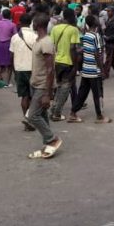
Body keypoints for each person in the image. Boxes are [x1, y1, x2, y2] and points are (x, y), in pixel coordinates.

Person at [27, 13, 64, 159]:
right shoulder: (38, 40)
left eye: (33, 23)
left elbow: (50, 70)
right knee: (41, 115)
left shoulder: (46, 42)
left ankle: (52, 139)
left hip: (43, 86)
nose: (32, 25)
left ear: (38, 25)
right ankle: (48, 144)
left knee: (33, 116)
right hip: (35, 83)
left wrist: (48, 94)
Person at [68, 15, 110, 124]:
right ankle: (99, 116)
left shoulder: (86, 35)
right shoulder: (96, 36)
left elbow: (85, 50)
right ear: (95, 22)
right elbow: (97, 54)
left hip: (86, 69)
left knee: (82, 92)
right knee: (97, 93)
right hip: (94, 69)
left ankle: (73, 113)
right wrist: (102, 69)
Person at [50, 8, 81, 121]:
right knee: (65, 88)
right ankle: (57, 113)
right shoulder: (73, 30)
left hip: (57, 61)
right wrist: (75, 65)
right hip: (68, 62)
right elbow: (73, 48)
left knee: (59, 86)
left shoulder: (55, 28)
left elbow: (52, 46)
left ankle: (53, 110)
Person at [10, 13, 37, 131]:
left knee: (24, 96)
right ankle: (30, 119)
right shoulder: (35, 37)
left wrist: (14, 70)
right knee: (34, 96)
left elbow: (11, 55)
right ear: (31, 22)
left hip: (19, 69)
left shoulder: (15, 37)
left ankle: (26, 121)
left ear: (20, 23)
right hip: (32, 69)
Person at [0, 9, 17, 87]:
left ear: (2, 15)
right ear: (10, 15)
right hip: (8, 44)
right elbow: (15, 36)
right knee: (9, 65)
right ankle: (7, 82)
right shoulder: (12, 24)